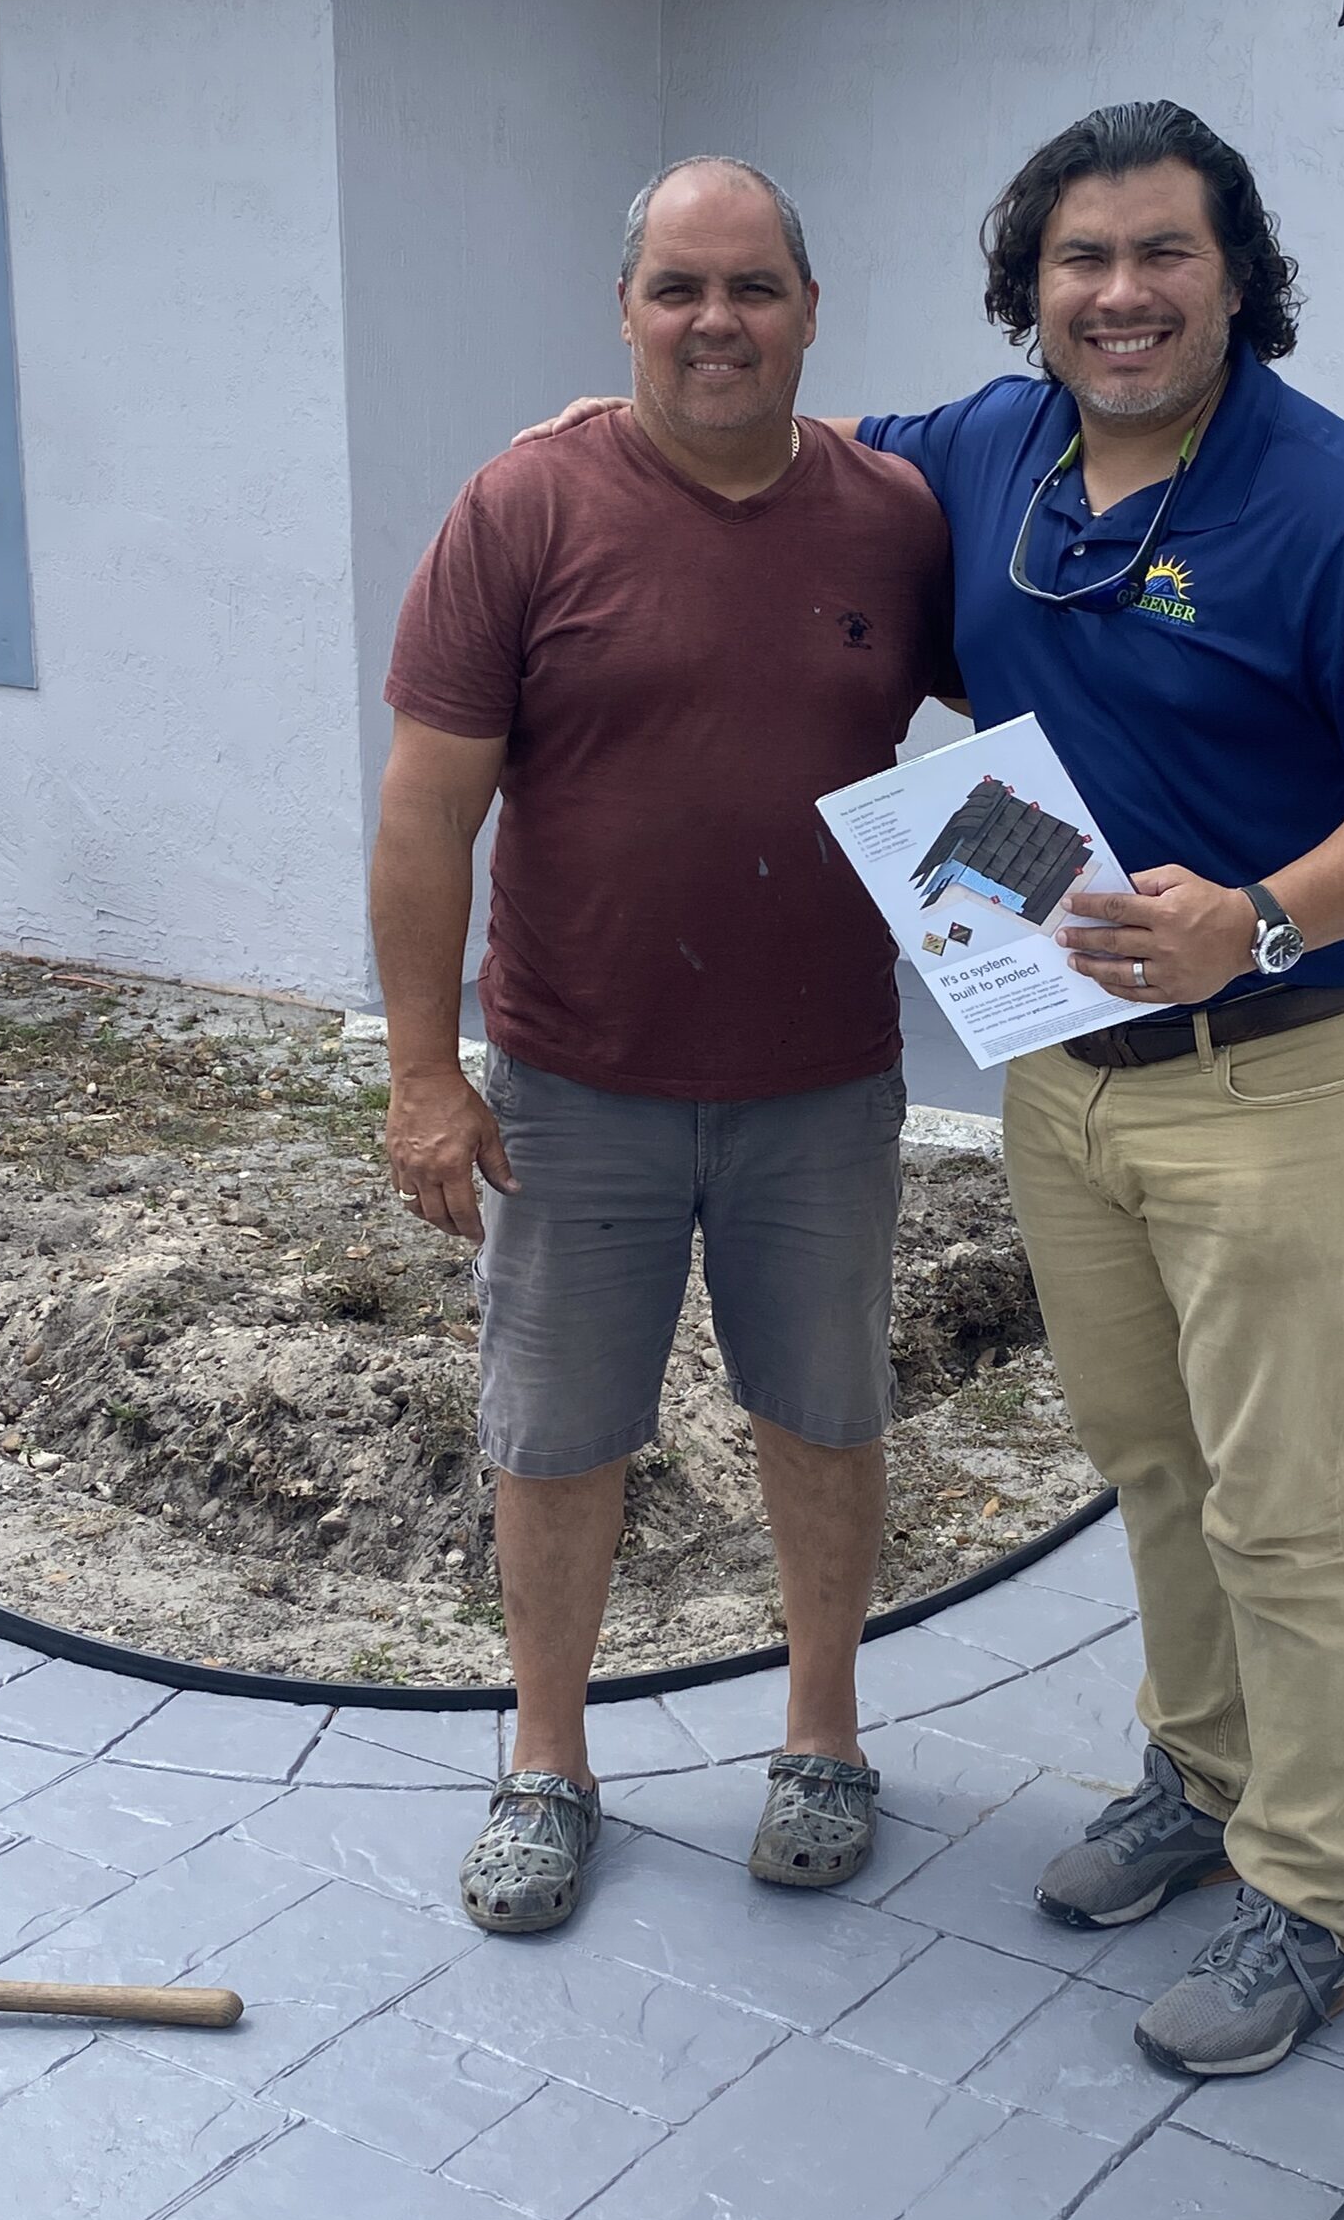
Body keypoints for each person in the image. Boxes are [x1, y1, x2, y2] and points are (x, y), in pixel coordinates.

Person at [856, 104, 1344, 2080]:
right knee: (1153, 1467)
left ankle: (1311, 1904)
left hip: (1280, 1074)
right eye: (1083, 259)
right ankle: (1202, 1777)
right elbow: (801, 471)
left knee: (1286, 1507)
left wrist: (1260, 919)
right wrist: (612, 430)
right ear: (1031, 287)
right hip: (1066, 1077)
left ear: (1237, 277)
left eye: (1164, 254)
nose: (1122, 294)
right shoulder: (995, 454)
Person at [372, 156, 953, 1938]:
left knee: (825, 1415)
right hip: (574, 1086)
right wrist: (421, 1071)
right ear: (623, 311)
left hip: (824, 1083)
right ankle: (547, 1766)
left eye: (754, 288)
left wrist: (1064, 946)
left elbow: (993, 749)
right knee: (556, 1436)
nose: (717, 323)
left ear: (809, 311)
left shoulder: (896, 520)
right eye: (680, 290)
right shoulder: (521, 510)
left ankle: (825, 1740)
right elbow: (425, 815)